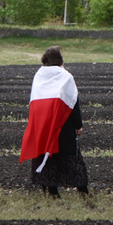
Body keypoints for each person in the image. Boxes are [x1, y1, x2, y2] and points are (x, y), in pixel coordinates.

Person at [19, 46, 89, 196]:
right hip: (63, 125)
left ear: (45, 60)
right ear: (60, 59)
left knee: (47, 155)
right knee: (71, 157)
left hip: (43, 124)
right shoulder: (66, 77)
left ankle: (51, 191)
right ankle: (82, 190)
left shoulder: (38, 76)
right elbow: (73, 103)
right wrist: (78, 125)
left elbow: (34, 104)